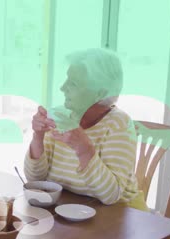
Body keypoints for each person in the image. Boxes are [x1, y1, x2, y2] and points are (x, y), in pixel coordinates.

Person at [24, 48, 147, 211]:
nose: (62, 87)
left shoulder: (119, 125)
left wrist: (84, 148)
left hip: (118, 215)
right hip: (69, 210)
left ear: (101, 93)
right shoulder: (61, 116)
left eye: (73, 83)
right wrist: (38, 137)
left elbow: (111, 195)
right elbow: (36, 179)